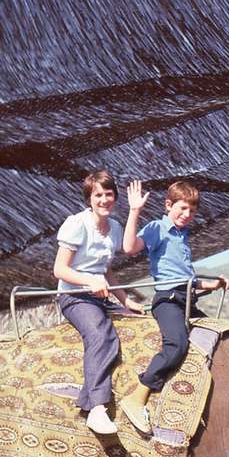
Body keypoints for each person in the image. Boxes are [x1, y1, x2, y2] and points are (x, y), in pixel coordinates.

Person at [118, 179, 229, 434]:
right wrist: (134, 210)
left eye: (191, 210)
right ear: (168, 205)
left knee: (217, 333)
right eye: (181, 208)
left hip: (187, 297)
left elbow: (185, 278)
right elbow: (129, 247)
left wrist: (211, 284)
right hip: (168, 299)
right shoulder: (158, 227)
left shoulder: (182, 235)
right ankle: (138, 397)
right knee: (176, 344)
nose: (186, 214)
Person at [52, 170, 144, 435]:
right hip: (75, 296)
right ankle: (96, 408)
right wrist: (88, 282)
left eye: (109, 194)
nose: (104, 200)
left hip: (101, 296)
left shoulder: (114, 228)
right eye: (98, 195)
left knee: (139, 322)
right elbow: (60, 269)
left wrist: (126, 300)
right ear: (89, 199)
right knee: (101, 335)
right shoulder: (77, 224)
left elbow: (107, 270)